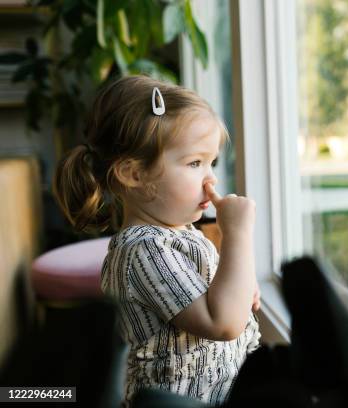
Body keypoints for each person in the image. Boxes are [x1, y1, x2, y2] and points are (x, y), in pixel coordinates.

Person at [52, 75, 261, 406]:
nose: (212, 178)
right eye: (195, 163)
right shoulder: (143, 251)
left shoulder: (178, 234)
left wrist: (236, 280)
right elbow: (222, 324)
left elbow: (219, 303)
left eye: (212, 162)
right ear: (134, 174)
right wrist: (238, 234)